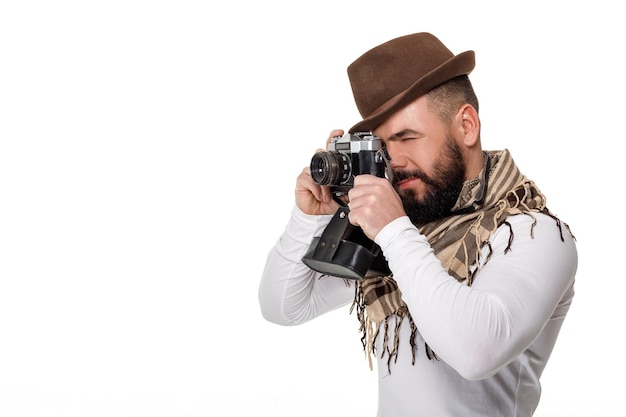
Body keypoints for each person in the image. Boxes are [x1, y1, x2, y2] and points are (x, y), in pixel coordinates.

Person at [258, 32, 577, 417]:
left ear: (467, 126)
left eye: (407, 137)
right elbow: (283, 306)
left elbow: (476, 352)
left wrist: (394, 230)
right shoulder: (404, 234)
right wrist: (310, 217)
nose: (396, 161)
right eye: (383, 146)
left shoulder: (532, 233)